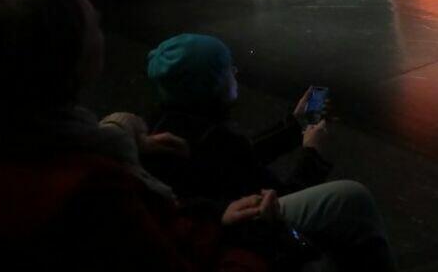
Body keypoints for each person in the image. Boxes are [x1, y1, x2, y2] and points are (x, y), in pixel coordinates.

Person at [0, 0, 277, 269]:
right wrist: (256, 239)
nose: (99, 21)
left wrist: (117, 129)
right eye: (92, 25)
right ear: (71, 59)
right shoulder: (94, 189)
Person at [144, 33, 395, 270]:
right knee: (352, 199)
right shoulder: (216, 141)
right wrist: (313, 155)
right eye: (227, 69)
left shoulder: (164, 126)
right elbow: (277, 199)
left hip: (204, 219)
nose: (235, 71)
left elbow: (239, 160)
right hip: (233, 232)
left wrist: (294, 125)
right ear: (210, 85)